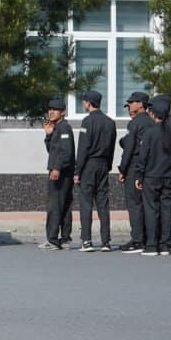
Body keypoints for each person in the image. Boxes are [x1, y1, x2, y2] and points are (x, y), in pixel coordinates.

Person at [133, 95, 171, 256]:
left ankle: (152, 245)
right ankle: (165, 244)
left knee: (151, 209)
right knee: (167, 209)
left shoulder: (150, 133)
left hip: (151, 177)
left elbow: (143, 156)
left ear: (153, 114)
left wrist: (139, 176)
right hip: (169, 176)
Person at [74, 90, 116, 252]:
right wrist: (108, 165)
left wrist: (77, 171)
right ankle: (106, 241)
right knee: (103, 203)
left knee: (86, 203)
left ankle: (86, 241)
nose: (84, 104)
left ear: (88, 103)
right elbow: (111, 147)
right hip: (104, 164)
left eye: (84, 101)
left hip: (89, 165)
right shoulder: (110, 123)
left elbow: (83, 148)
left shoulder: (87, 122)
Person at [116, 91, 152, 253]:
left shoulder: (135, 123)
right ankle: (148, 237)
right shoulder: (152, 122)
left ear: (140, 104)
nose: (129, 106)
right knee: (147, 204)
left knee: (135, 204)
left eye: (131, 102)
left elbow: (129, 149)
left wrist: (123, 169)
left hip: (135, 166)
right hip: (150, 167)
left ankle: (138, 240)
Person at [41, 97, 75, 250]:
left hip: (61, 172)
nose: (51, 112)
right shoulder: (56, 128)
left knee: (55, 204)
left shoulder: (64, 128)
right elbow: (52, 150)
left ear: (62, 112)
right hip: (59, 169)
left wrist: (57, 168)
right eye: (50, 109)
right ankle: (65, 238)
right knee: (64, 204)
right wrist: (48, 135)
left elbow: (65, 152)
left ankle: (53, 239)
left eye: (55, 110)